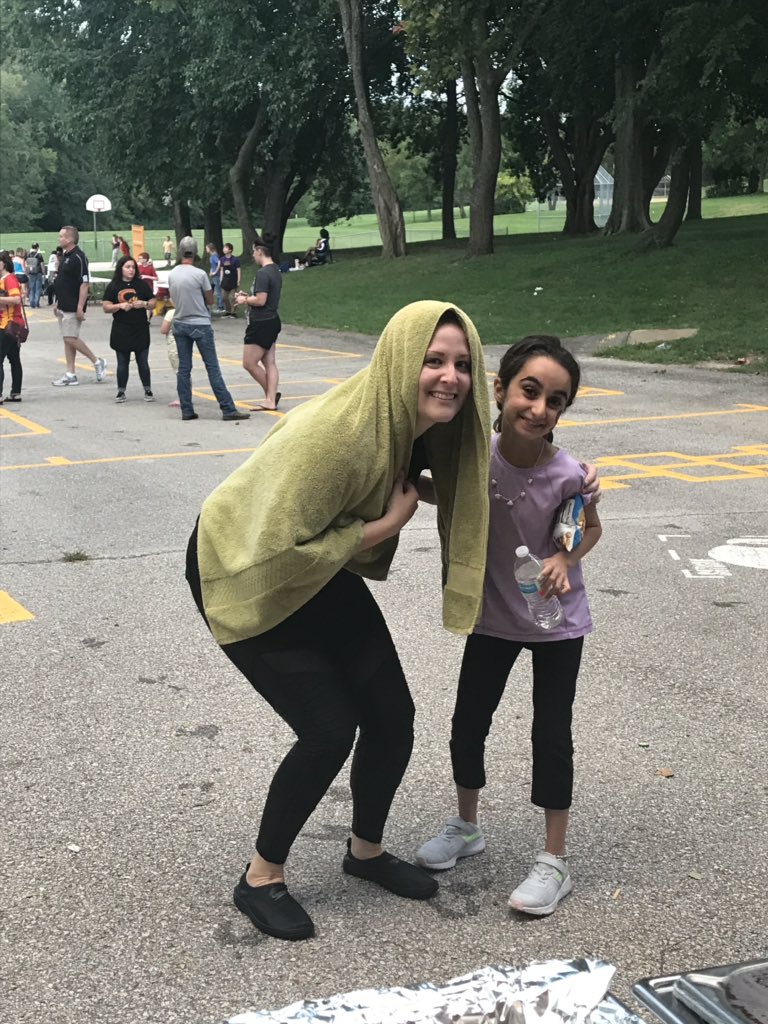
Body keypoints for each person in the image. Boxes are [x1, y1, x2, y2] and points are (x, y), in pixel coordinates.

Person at [184, 300, 493, 942]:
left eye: (463, 364)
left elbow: (471, 471)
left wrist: (564, 479)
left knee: (392, 716)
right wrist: (389, 524)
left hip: (319, 562)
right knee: (328, 728)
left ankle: (366, 852)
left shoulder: (405, 420)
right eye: (433, 361)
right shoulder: (341, 435)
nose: (451, 377)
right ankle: (260, 879)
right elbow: (277, 547)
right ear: (399, 362)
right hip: (245, 565)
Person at [416, 335, 603, 918]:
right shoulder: (472, 454)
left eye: (556, 400)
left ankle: (554, 860)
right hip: (492, 618)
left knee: (551, 734)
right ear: (499, 389)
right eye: (530, 390)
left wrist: (565, 560)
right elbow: (439, 489)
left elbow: (590, 528)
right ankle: (467, 826)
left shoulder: (570, 473)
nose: (540, 408)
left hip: (556, 624)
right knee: (468, 723)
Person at [167, 235, 249, 422]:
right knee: (212, 367)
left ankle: (186, 409)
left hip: (180, 322)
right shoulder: (199, 275)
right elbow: (210, 300)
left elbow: (173, 296)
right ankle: (227, 408)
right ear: (195, 253)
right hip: (200, 323)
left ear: (180, 252)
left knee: (184, 369)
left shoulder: (173, 274)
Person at [51, 226, 107, 387]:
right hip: (63, 304)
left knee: (71, 337)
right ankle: (71, 373)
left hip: (73, 305)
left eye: (61, 236)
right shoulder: (64, 256)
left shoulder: (79, 257)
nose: (59, 239)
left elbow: (84, 283)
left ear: (69, 239)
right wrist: (57, 302)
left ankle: (97, 361)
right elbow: (63, 282)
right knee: (67, 340)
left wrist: (80, 307)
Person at [102, 256, 157, 403]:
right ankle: (121, 391)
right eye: (127, 267)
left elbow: (153, 302)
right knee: (122, 362)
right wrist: (119, 306)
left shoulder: (141, 284)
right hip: (122, 328)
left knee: (143, 362)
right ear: (121, 268)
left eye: (133, 267)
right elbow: (106, 306)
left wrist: (144, 303)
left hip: (140, 327)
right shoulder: (114, 285)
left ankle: (147, 388)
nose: (131, 270)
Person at [234, 241, 281, 410]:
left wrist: (243, 300)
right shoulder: (276, 270)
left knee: (249, 363)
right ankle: (271, 398)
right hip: (272, 319)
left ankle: (271, 396)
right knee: (270, 362)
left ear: (260, 251)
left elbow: (261, 300)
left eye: (254, 251)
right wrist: (249, 296)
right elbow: (263, 297)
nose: (253, 255)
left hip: (260, 322)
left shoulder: (263, 273)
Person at [0, 251, 25, 403]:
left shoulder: (8, 279)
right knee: (14, 358)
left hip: (7, 324)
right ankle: (16, 391)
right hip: (11, 324)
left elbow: (16, 299)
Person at [219, 242, 240, 316]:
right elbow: (221, 270)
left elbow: (238, 270)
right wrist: (221, 279)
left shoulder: (235, 260)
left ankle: (233, 312)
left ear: (230, 250)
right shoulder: (222, 259)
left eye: (226, 248)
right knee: (224, 297)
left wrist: (238, 280)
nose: (224, 249)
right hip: (225, 281)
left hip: (233, 280)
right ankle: (227, 311)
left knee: (232, 297)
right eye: (223, 248)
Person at [205, 242, 224, 312]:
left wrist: (215, 272)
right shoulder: (212, 256)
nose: (206, 249)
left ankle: (221, 307)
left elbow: (219, 262)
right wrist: (211, 271)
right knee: (215, 290)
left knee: (218, 291)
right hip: (214, 276)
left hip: (217, 276)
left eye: (206, 248)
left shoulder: (214, 256)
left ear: (210, 249)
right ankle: (219, 305)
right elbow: (213, 265)